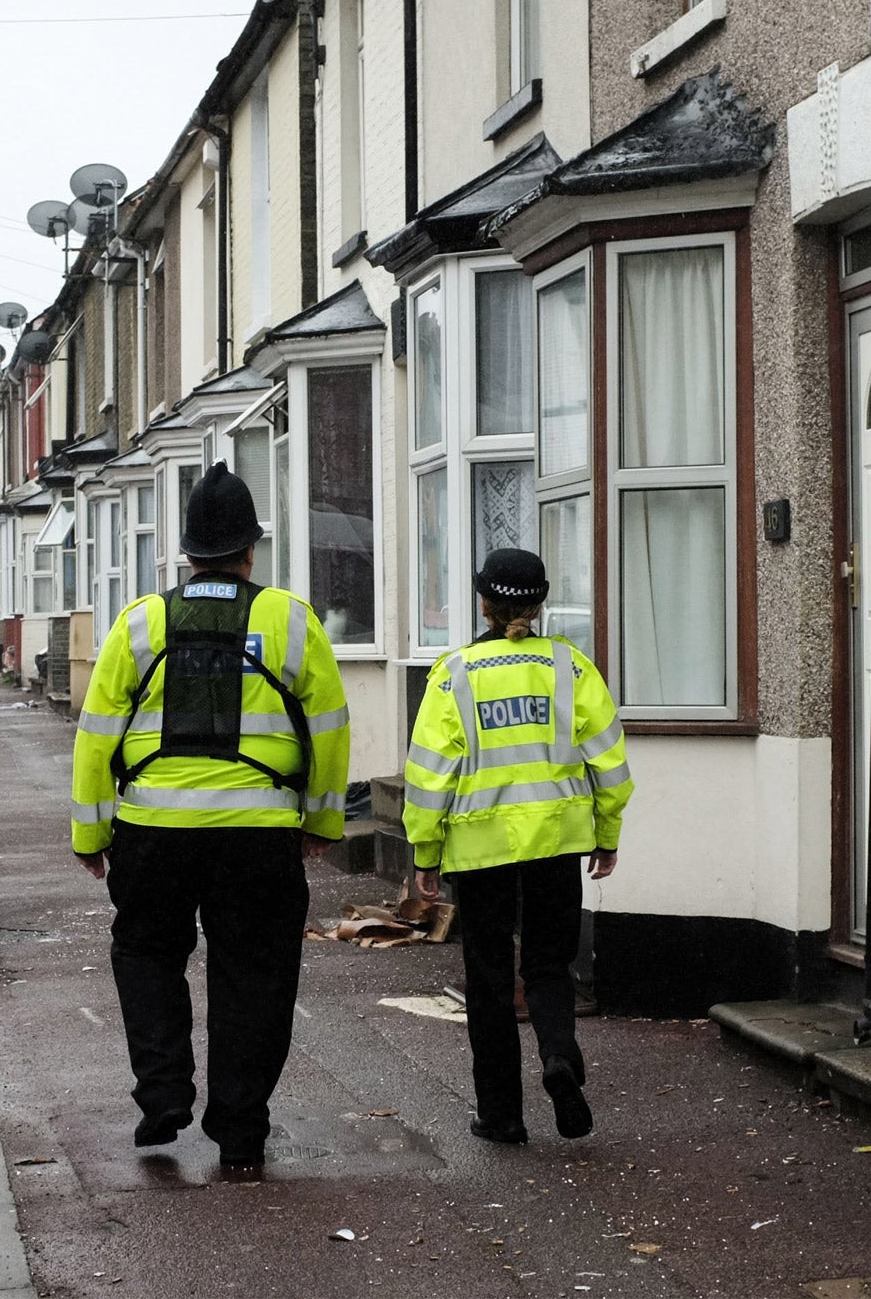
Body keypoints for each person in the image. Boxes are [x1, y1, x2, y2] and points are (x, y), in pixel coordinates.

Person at [71, 462, 350, 1175]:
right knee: (255, 974)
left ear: (187, 553)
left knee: (146, 953)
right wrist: (320, 824)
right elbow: (328, 728)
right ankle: (240, 1128)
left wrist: (92, 834)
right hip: (258, 837)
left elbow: (98, 733)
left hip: (153, 832)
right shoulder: (289, 620)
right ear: (250, 550)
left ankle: (163, 1095)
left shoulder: (140, 622)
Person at [402, 548, 632, 1145]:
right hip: (557, 842)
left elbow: (429, 775)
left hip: (480, 854)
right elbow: (609, 763)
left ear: (483, 603)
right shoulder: (572, 669)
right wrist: (606, 834)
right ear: (540, 603)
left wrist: (424, 853)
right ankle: (558, 1057)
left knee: (488, 979)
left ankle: (501, 1116)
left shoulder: (454, 674)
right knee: (549, 966)